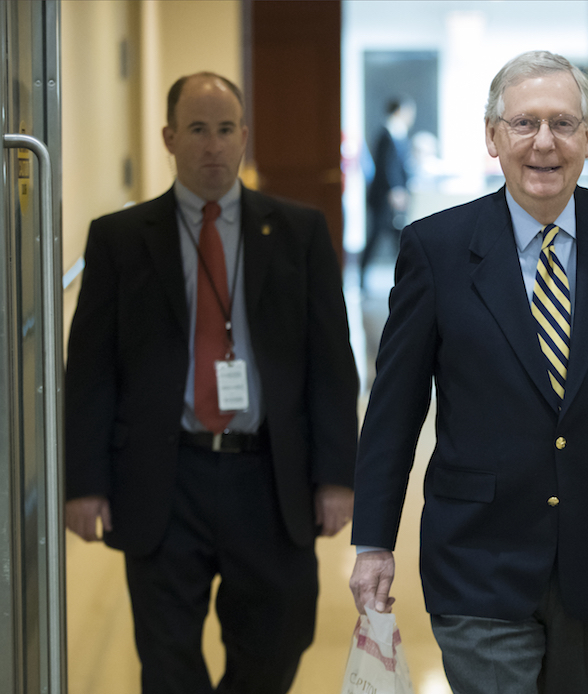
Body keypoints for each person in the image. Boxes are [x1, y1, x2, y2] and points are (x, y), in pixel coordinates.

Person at [349, 51, 588, 694]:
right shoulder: (436, 247)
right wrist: (374, 541)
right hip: (477, 557)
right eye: (524, 123)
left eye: (564, 123)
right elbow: (394, 410)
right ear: (492, 136)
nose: (545, 142)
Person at [64, 72, 359, 694]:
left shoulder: (298, 231)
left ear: (244, 136)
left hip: (268, 474)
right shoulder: (120, 239)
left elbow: (332, 363)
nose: (213, 146)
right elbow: (90, 371)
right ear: (170, 137)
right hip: (165, 477)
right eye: (198, 130)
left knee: (280, 640)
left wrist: (336, 476)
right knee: (167, 661)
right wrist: (84, 484)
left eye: (226, 130)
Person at [359, 95, 415, 286]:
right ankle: (361, 277)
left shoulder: (399, 133)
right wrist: (395, 190)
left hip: (393, 195)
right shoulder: (386, 133)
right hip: (384, 197)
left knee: (397, 238)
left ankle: (404, 279)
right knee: (376, 236)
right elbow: (386, 166)